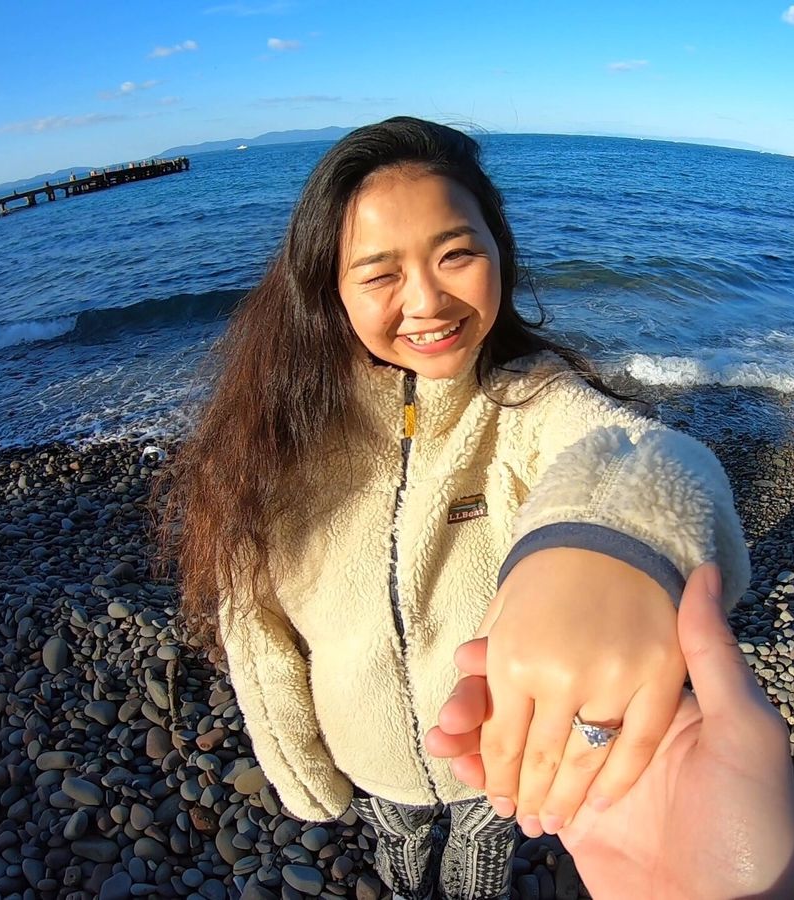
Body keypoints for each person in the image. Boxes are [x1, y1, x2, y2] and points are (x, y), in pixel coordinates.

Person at [161, 117, 750, 900]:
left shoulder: (527, 403)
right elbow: (254, 622)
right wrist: (299, 763)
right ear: (328, 289)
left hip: (491, 748)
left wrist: (613, 543)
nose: (427, 301)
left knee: (481, 841)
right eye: (379, 273)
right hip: (366, 751)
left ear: (499, 251)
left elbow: (639, 456)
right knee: (398, 840)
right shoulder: (277, 438)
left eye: (456, 255)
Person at [428, 563, 794, 900]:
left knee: (487, 819)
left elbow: (671, 494)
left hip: (501, 749)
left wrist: (608, 546)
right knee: (411, 819)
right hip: (458, 751)